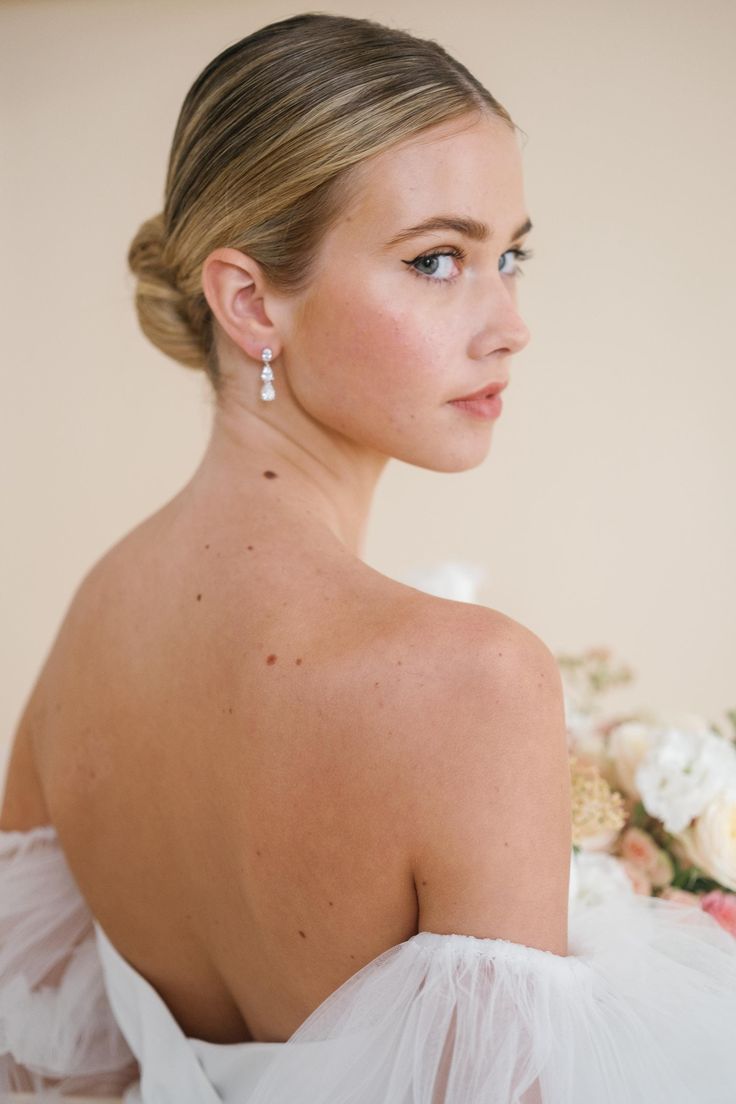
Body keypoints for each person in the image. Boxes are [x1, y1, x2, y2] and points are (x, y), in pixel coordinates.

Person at [1, 11, 735, 1103]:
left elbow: (55, 1065)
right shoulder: (473, 682)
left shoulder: (96, 622)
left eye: (510, 254)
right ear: (251, 301)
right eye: (438, 260)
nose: (508, 323)